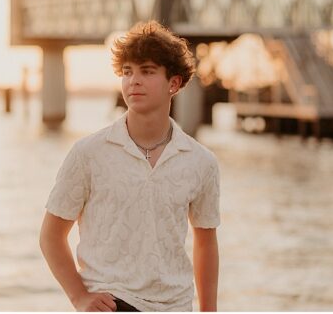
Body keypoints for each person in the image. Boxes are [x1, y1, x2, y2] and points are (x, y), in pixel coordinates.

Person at [39, 21, 220, 312]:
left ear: (173, 83)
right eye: (127, 72)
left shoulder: (201, 162)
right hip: (111, 303)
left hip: (175, 306)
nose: (133, 81)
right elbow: (50, 235)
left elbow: (205, 243)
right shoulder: (89, 153)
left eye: (146, 71)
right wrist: (79, 296)